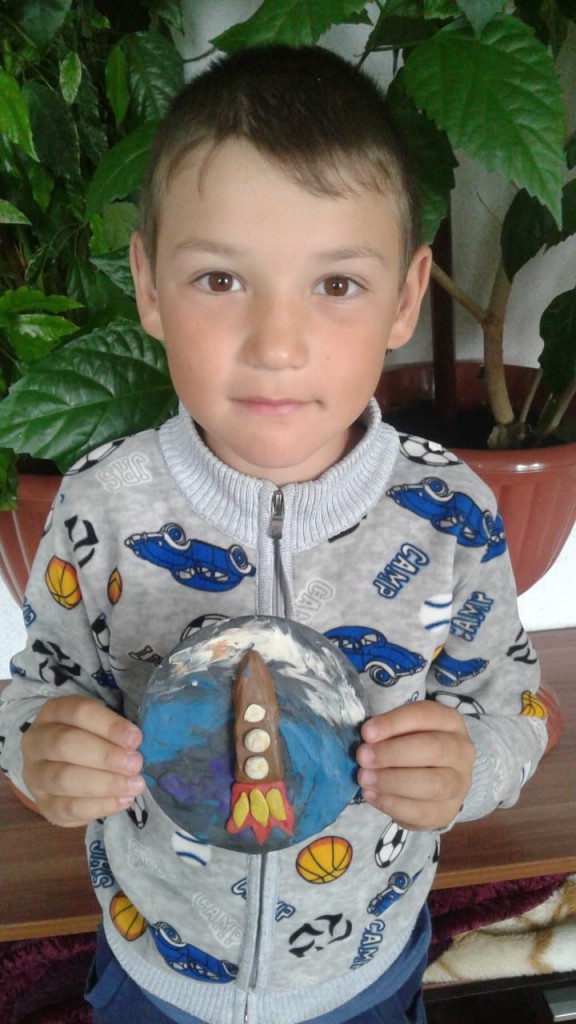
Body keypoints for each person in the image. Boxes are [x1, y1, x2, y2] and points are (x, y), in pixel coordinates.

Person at [0, 44, 547, 1024]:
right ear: (148, 285)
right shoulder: (102, 503)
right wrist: (39, 750)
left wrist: (472, 765)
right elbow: (35, 691)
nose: (278, 344)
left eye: (336, 285)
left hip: (363, 967)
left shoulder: (451, 511)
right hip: (157, 965)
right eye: (220, 279)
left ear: (406, 296)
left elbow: (516, 709)